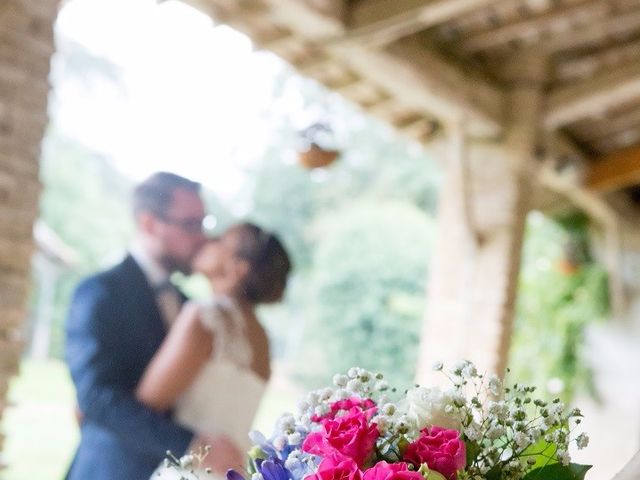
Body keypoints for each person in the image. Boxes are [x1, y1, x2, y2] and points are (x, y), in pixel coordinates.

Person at [65, 172, 238, 480]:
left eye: (203, 224)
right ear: (148, 223)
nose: (201, 237)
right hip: (109, 468)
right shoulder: (100, 291)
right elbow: (96, 396)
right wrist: (192, 445)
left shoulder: (188, 304)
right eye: (190, 224)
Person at [135, 222, 292, 479]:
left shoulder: (205, 316)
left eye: (221, 240)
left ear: (238, 268)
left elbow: (148, 401)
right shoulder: (262, 337)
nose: (207, 240)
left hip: (190, 470)